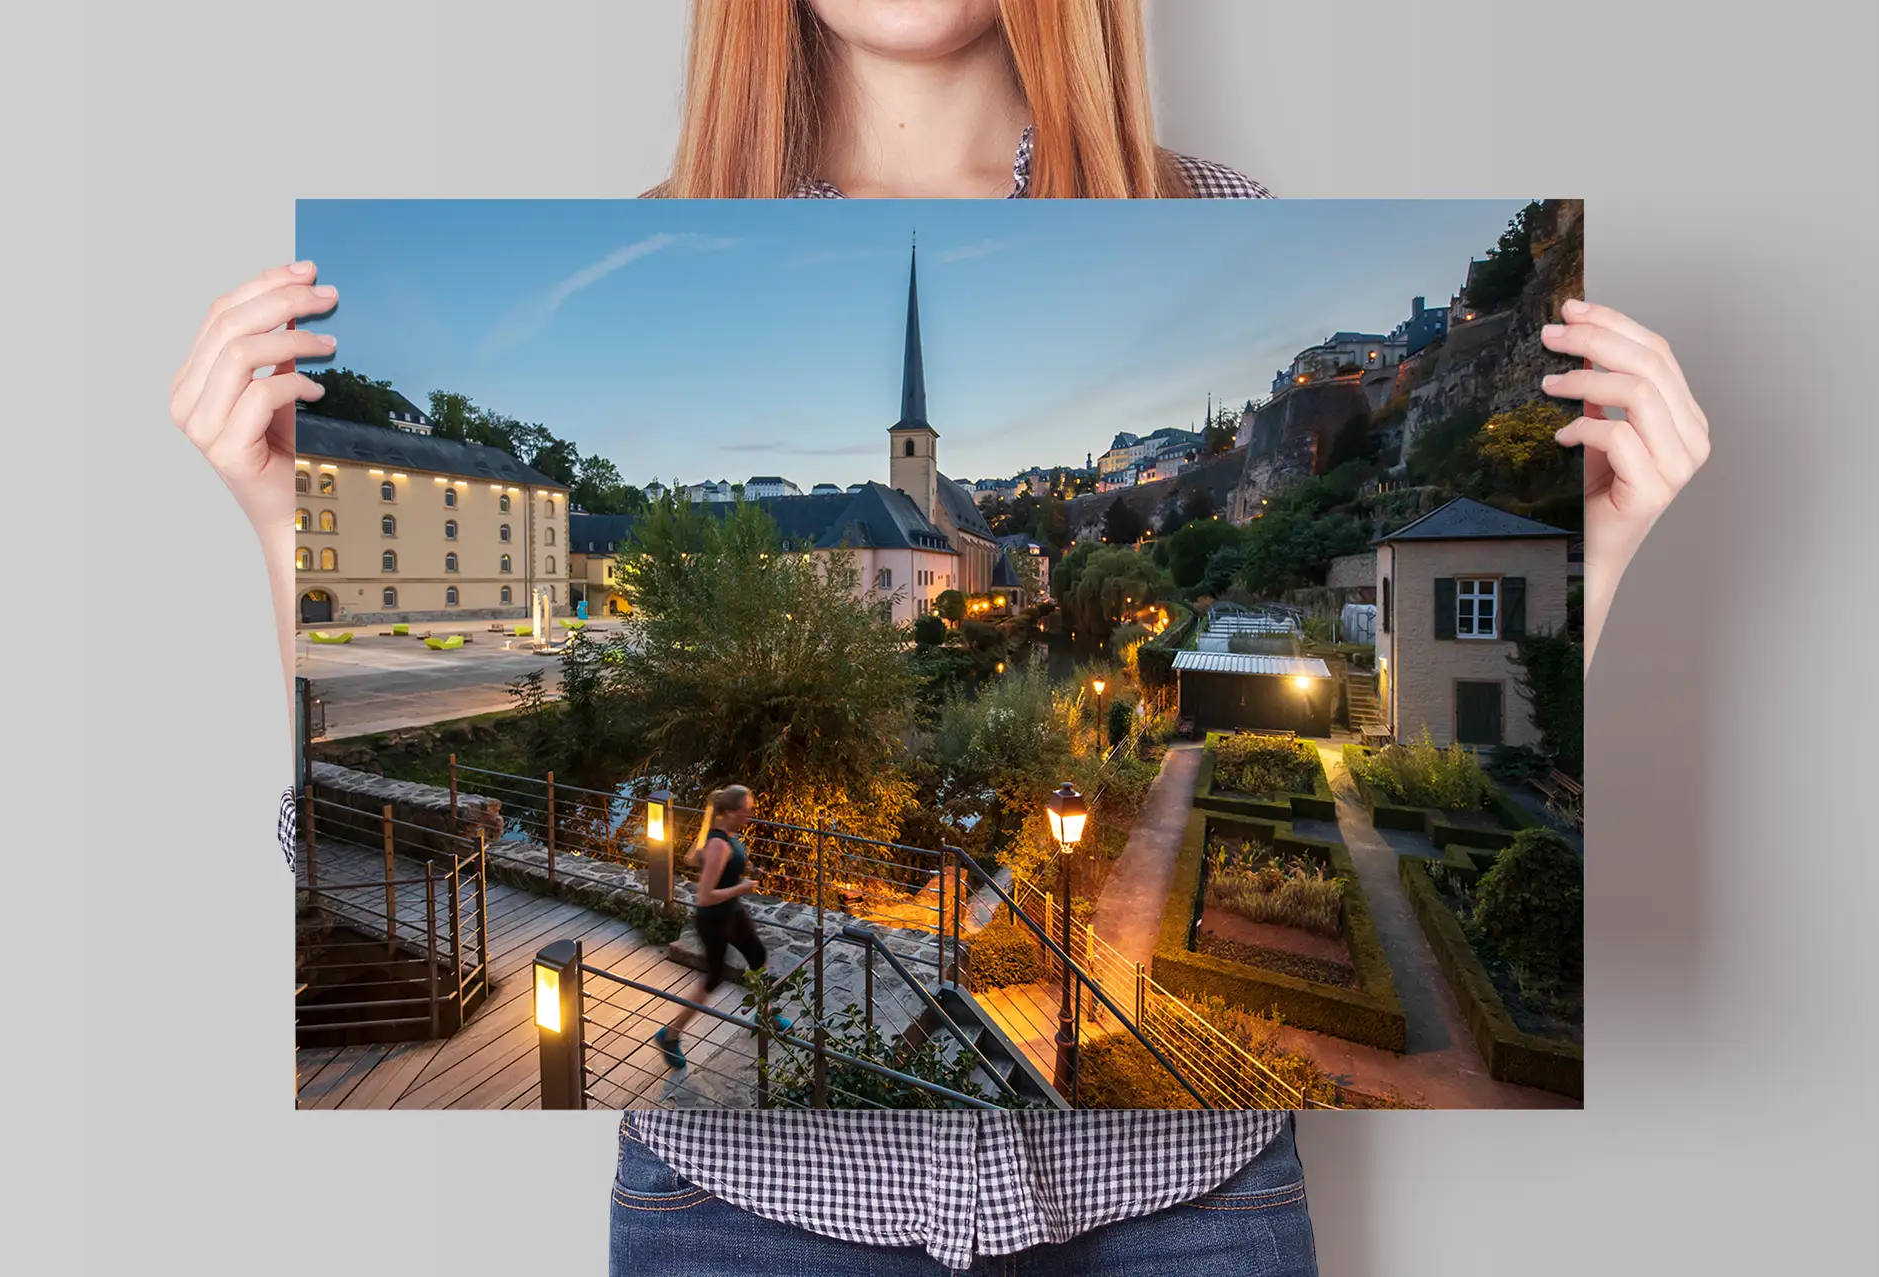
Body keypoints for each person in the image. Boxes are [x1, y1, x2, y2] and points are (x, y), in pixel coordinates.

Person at [191, 2, 1711, 1271]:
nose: (912, 468)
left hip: (1180, 1206)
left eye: (917, 460)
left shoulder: (1217, 208)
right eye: (907, 456)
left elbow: (1609, 889)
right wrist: (271, 537)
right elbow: (297, 833)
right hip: (746, 1214)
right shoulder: (670, 219)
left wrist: (1607, 555)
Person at [654, 784, 778, 1070]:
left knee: (758, 956)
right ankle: (669, 1035)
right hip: (713, 919)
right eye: (745, 812)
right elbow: (705, 895)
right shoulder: (718, 844)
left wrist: (749, 870)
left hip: (732, 913)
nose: (749, 816)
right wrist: (742, 887)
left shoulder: (728, 836)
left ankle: (765, 1015)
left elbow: (712, 861)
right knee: (713, 978)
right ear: (730, 812)